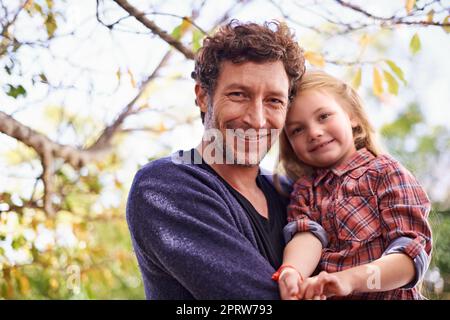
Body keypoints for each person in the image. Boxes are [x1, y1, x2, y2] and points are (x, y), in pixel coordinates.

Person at [126, 20, 305, 299]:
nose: (257, 120)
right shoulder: (165, 187)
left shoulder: (294, 193)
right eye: (238, 95)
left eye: (273, 101)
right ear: (202, 96)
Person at [273, 70, 433, 300]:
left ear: (352, 116)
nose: (314, 133)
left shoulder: (385, 172)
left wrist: (349, 280)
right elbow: (307, 236)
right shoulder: (304, 191)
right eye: (298, 129)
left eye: (324, 116)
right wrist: (292, 271)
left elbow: (410, 257)